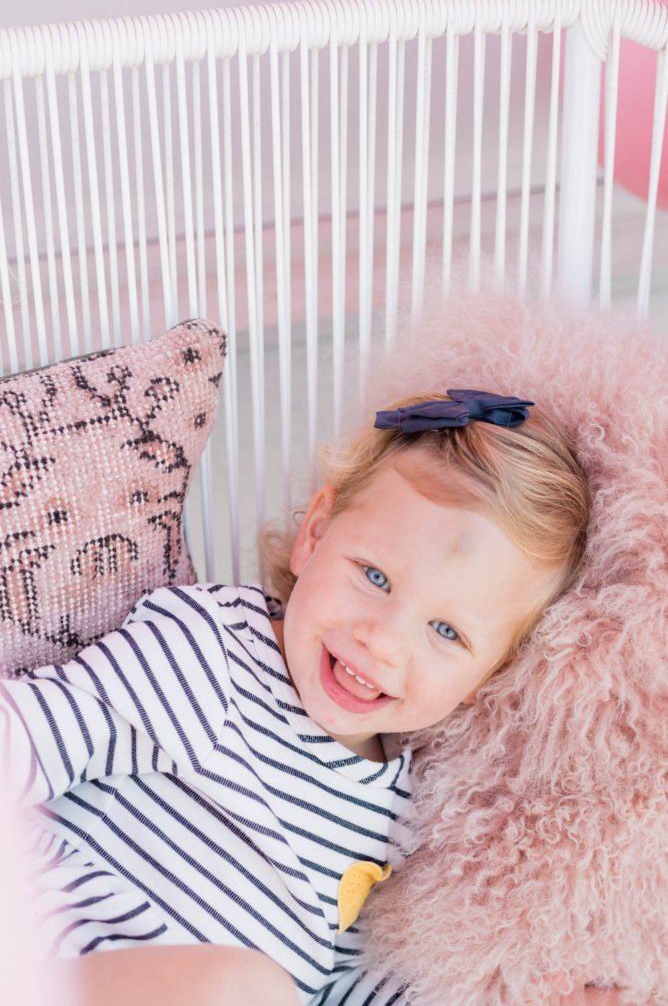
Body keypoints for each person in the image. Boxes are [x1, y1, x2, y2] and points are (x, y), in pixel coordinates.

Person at [0, 388, 590, 1006]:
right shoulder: (215, 655)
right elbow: (38, 733)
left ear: (489, 677)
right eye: (375, 577)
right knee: (243, 989)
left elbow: (344, 981)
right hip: (57, 960)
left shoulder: (414, 808)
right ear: (315, 534)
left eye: (446, 632)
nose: (384, 641)